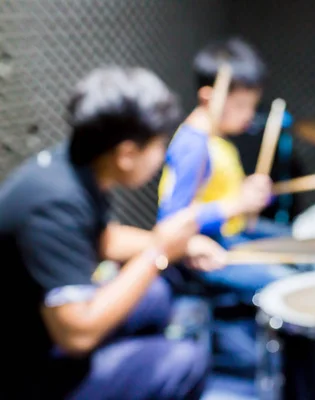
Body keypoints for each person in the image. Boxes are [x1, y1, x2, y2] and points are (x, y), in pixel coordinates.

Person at [0, 67, 227, 400]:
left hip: (40, 328)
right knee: (184, 360)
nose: (162, 155)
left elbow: (103, 238)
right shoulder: (53, 206)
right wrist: (158, 252)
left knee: (156, 296)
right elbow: (76, 335)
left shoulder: (77, 165)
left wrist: (178, 245)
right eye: (159, 145)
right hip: (24, 369)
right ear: (127, 154)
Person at [157, 37, 293, 300]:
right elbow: (170, 222)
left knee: (302, 245)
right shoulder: (193, 146)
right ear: (209, 97)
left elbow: (223, 193)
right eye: (242, 106)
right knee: (286, 284)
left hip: (228, 232)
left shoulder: (216, 138)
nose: (249, 115)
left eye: (253, 106)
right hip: (203, 251)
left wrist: (253, 193)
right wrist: (237, 204)